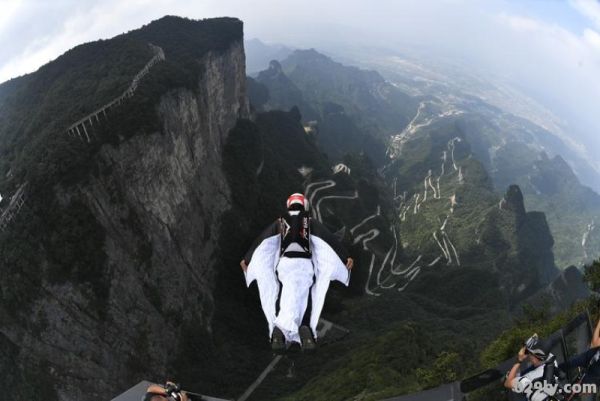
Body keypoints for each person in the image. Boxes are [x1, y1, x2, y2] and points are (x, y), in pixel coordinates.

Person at [240, 193, 353, 353]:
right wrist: (344, 255)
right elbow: (328, 238)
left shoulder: (280, 222)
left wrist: (248, 258)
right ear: (304, 205)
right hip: (303, 264)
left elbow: (262, 240)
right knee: (306, 297)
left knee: (286, 295)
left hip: (284, 265)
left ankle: (282, 333)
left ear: (289, 205)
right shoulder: (309, 222)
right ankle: (303, 330)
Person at [504, 333, 560, 401]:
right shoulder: (552, 361)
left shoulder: (530, 378)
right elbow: (544, 348)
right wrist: (534, 342)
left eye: (528, 353)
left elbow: (508, 383)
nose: (527, 355)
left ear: (535, 357)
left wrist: (519, 360)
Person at [558, 317, 600, 386]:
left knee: (578, 388)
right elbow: (594, 344)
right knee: (569, 363)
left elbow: (594, 343)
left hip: (596, 372)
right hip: (589, 356)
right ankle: (553, 373)